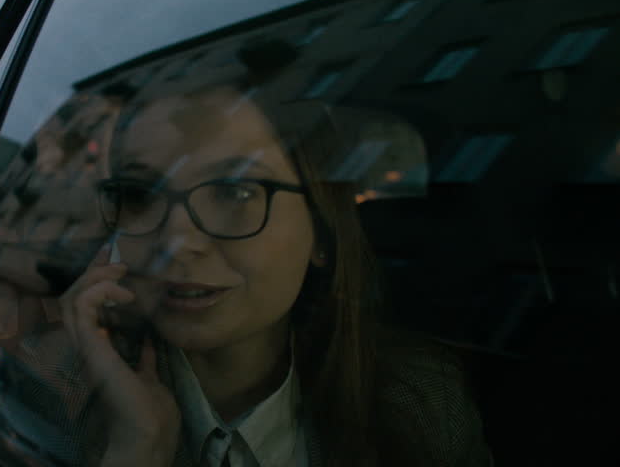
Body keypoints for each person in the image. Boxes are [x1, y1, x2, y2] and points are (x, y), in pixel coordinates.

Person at [57, 84, 493, 467]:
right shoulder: (56, 394)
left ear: (321, 233)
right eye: (139, 194)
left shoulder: (424, 403)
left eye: (235, 191)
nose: (177, 239)